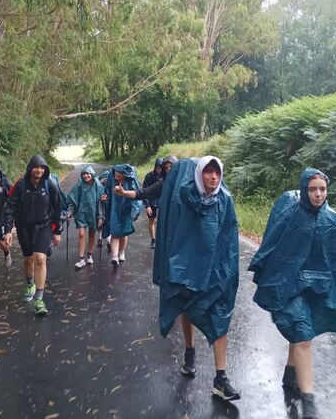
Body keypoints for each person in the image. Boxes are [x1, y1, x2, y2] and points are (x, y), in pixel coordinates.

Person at [116, 155, 241, 402]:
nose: (213, 177)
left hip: (214, 272)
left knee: (220, 315)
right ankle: (190, 350)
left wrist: (226, 272)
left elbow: (229, 240)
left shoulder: (224, 200)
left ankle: (221, 377)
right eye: (208, 172)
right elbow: (174, 235)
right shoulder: (182, 197)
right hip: (188, 270)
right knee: (188, 309)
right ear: (199, 173)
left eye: (217, 173)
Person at [247, 168, 336, 419]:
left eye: (322, 189)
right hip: (288, 285)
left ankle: (290, 372)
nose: (318, 194)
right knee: (303, 334)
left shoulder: (333, 219)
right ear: (304, 190)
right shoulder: (290, 213)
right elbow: (271, 246)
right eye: (312, 189)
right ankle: (309, 402)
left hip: (315, 287)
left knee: (301, 331)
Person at [3, 155, 64, 315]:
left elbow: (58, 209)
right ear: (30, 168)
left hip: (44, 226)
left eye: (42, 167)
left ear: (45, 170)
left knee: (40, 258)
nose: (39, 170)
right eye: (36, 167)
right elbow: (10, 207)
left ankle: (39, 298)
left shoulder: (50, 185)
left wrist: (57, 231)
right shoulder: (21, 185)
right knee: (28, 259)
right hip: (24, 227)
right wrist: (8, 230)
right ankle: (30, 283)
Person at [66, 165, 105, 270]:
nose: (86, 176)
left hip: (94, 214)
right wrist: (69, 212)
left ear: (92, 174)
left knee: (92, 234)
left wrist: (101, 217)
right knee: (82, 234)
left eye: (88, 174)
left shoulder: (98, 186)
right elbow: (72, 201)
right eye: (84, 174)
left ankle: (89, 255)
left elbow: (102, 202)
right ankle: (81, 258)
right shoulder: (79, 186)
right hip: (81, 213)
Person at [103, 164, 142, 267]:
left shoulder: (130, 182)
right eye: (115, 172)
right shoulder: (111, 180)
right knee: (114, 232)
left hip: (126, 210)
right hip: (114, 210)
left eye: (118, 173)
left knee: (123, 233)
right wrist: (105, 197)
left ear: (124, 175)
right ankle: (115, 257)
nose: (116, 174)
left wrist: (134, 212)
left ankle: (121, 252)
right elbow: (106, 192)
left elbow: (137, 197)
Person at [142, 158, 164, 249]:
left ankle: (162, 239)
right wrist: (147, 206)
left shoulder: (165, 176)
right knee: (152, 220)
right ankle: (153, 239)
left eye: (161, 168)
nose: (159, 170)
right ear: (155, 167)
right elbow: (144, 191)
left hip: (162, 201)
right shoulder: (149, 176)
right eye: (158, 167)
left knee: (162, 221)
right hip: (151, 201)